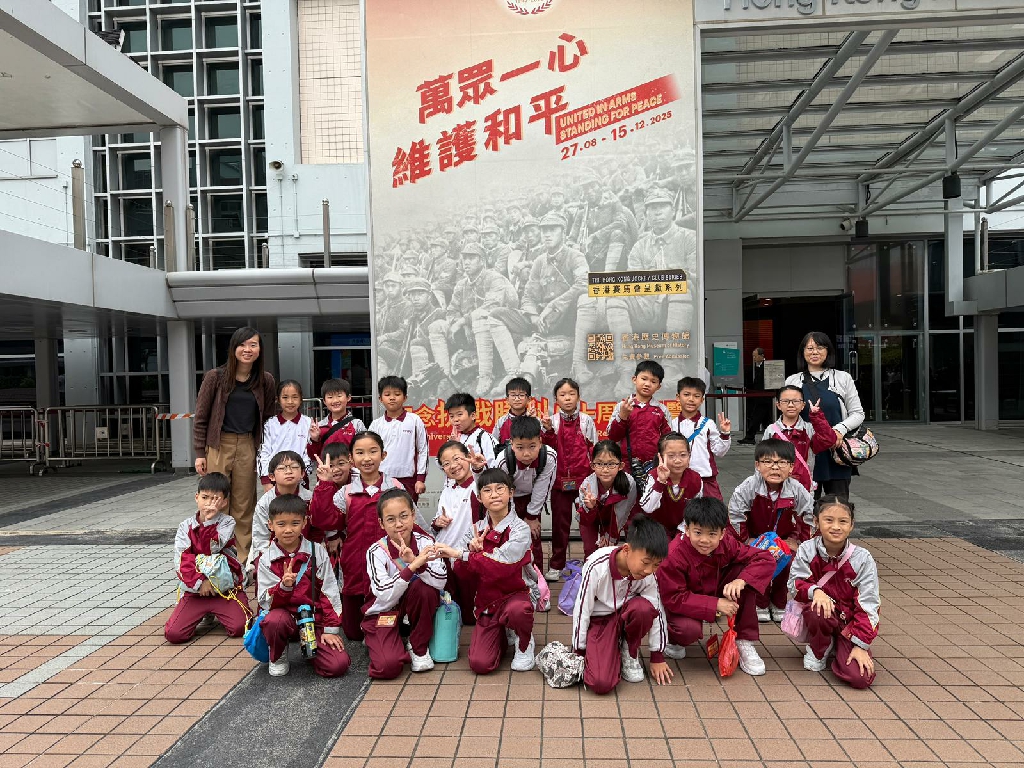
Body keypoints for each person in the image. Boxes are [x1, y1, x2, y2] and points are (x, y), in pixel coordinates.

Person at [434, 468, 537, 674]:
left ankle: (524, 642)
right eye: (487, 490)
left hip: (517, 594)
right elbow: (461, 572)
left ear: (511, 493)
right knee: (480, 664)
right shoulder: (475, 529)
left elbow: (502, 566)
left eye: (500, 488)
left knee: (518, 611)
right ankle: (503, 631)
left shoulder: (520, 529)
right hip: (488, 600)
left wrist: (463, 554)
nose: (494, 494)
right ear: (480, 498)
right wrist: (470, 552)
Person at [656, 497, 774, 675]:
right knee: (687, 630)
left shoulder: (727, 543)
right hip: (684, 601)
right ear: (687, 530)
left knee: (745, 575)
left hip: (713, 588)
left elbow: (764, 558)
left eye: (712, 534)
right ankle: (672, 640)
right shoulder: (673, 554)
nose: (704, 540)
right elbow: (674, 598)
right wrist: (716, 604)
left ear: (722, 533)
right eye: (698, 532)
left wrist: (741, 580)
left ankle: (744, 640)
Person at [193, 326, 277, 567]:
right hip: (219, 444)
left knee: (243, 504)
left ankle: (241, 561)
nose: (247, 349)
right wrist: (199, 452)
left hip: (248, 444)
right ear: (233, 348)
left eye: (253, 345)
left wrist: (267, 453)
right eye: (242, 344)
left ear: (260, 350)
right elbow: (201, 416)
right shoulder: (215, 377)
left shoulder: (265, 380)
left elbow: (268, 419)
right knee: (216, 500)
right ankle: (214, 556)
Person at [309, 431, 403, 641]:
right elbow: (324, 521)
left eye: (373, 452)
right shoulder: (346, 492)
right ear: (352, 459)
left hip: (390, 564)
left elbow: (414, 524)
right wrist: (324, 484)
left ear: (383, 455)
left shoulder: (395, 488)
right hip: (355, 564)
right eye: (360, 453)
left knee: (388, 618)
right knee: (352, 632)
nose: (367, 458)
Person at [570, 516, 672, 694]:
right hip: (600, 620)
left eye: (656, 565)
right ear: (626, 550)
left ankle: (629, 650)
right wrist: (579, 649)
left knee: (643, 608)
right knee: (600, 683)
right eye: (646, 562)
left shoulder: (648, 575)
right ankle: (610, 647)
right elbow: (582, 608)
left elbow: (656, 609)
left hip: (627, 615)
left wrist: (657, 655)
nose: (649, 570)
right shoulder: (597, 565)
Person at [789, 496, 879, 689]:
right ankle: (820, 647)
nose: (836, 527)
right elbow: (794, 584)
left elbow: (869, 604)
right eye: (829, 520)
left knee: (860, 678)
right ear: (816, 521)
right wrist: (815, 591)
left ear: (852, 525)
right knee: (819, 609)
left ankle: (841, 644)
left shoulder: (862, 559)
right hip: (821, 615)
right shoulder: (806, 550)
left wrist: (860, 645)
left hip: (849, 624)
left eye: (843, 521)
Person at [256, 494, 350, 678]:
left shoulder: (317, 551)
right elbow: (264, 602)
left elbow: (329, 592)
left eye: (295, 523)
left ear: (305, 523)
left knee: (338, 665)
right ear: (270, 525)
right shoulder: (266, 558)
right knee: (274, 621)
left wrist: (330, 629)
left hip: (312, 619)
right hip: (284, 618)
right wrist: (283, 587)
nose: (288, 530)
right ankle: (278, 654)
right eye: (281, 524)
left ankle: (311, 647)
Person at [728, 438, 814, 623]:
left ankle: (779, 602)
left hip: (784, 539)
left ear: (791, 467)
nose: (775, 468)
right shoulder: (748, 487)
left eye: (782, 462)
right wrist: (746, 541)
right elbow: (735, 515)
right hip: (755, 538)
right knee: (759, 560)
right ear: (757, 465)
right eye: (768, 462)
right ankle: (760, 602)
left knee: (787, 560)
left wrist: (801, 543)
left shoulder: (797, 489)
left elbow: (809, 516)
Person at [363, 489, 447, 678]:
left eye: (404, 516)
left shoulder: (426, 542)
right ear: (381, 523)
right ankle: (382, 638)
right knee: (388, 667)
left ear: (413, 515)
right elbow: (384, 593)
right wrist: (413, 566)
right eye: (391, 519)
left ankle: (418, 647)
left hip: (414, 606)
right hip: (385, 610)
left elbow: (441, 581)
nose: (399, 524)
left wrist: (417, 564)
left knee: (425, 589)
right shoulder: (376, 551)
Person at [165, 473, 250, 644]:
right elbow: (182, 559)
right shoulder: (185, 526)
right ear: (196, 497)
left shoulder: (227, 522)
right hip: (196, 591)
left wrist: (210, 521)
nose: (209, 503)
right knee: (174, 634)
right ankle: (204, 612)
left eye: (215, 499)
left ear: (224, 502)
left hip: (225, 589)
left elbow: (212, 548)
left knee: (240, 627)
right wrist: (200, 582)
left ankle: (224, 608)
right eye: (205, 497)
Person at [785, 332, 865, 500]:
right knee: (804, 506)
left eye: (820, 347)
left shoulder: (843, 378)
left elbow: (858, 413)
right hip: (805, 451)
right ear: (802, 352)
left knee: (838, 505)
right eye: (810, 348)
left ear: (828, 351)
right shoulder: (793, 381)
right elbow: (787, 415)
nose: (815, 352)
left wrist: (839, 430)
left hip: (836, 451)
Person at [474, 416, 556, 579]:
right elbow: (501, 490)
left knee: (533, 536)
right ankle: (510, 578)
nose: (526, 453)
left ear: (540, 442)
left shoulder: (549, 457)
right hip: (508, 499)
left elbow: (542, 487)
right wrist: (510, 520)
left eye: (532, 446)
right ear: (511, 444)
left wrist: (532, 517)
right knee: (507, 536)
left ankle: (537, 582)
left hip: (532, 498)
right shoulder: (503, 460)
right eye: (520, 447)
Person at [541, 377, 597, 581]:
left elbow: (594, 449)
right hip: (559, 482)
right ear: (556, 399)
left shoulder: (586, 420)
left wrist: (595, 477)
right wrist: (548, 431)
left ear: (578, 397)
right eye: (562, 395)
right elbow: (547, 451)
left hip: (584, 481)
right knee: (560, 525)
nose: (567, 398)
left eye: (571, 394)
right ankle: (556, 565)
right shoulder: (552, 421)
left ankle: (592, 562)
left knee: (588, 523)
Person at [432, 440, 484, 622]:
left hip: (465, 556)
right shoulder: (448, 489)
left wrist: (477, 468)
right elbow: (437, 519)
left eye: (457, 459)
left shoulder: (476, 486)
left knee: (470, 614)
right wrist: (438, 522)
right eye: (446, 464)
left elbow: (480, 480)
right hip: (444, 555)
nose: (453, 466)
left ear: (468, 457)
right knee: (449, 606)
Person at [246, 451, 316, 580]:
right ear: (271, 476)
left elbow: (318, 530)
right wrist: (270, 560)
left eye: (294, 467)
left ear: (302, 473)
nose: (288, 471)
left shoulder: (310, 499)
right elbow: (260, 537)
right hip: (273, 553)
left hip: (305, 552)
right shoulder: (265, 503)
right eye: (282, 468)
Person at [607, 361, 673, 490]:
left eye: (653, 381)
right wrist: (623, 416)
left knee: (652, 498)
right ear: (634, 379)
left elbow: (669, 441)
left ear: (659, 386)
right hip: (626, 465)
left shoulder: (661, 410)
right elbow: (613, 436)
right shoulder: (623, 406)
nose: (647, 384)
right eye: (644, 379)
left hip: (653, 466)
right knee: (627, 498)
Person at [763, 385, 836, 493]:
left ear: (803, 405)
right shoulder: (771, 430)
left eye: (796, 401)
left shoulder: (809, 429)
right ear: (778, 405)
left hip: (803, 487)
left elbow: (828, 440)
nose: (791, 405)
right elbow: (762, 459)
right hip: (775, 487)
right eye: (786, 401)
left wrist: (817, 416)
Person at [369, 376, 429, 503]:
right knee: (383, 511)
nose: (392, 398)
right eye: (387, 394)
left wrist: (420, 479)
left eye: (397, 394)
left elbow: (423, 450)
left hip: (408, 479)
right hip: (382, 478)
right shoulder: (376, 425)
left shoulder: (415, 420)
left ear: (405, 397)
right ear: (380, 399)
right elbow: (370, 452)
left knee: (407, 512)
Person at [672, 376, 731, 501]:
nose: (691, 399)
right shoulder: (672, 424)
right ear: (678, 397)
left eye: (696, 396)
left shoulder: (708, 424)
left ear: (702, 400)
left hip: (706, 479)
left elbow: (719, 451)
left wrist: (725, 433)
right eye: (686, 394)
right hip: (679, 478)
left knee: (712, 512)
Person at [575, 441, 637, 558]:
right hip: (590, 518)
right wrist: (590, 507)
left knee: (609, 547)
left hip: (615, 517)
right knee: (590, 549)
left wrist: (610, 536)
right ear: (592, 466)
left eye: (611, 464)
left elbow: (622, 513)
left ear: (621, 466)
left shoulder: (629, 484)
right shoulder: (586, 486)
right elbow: (584, 520)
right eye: (599, 463)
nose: (605, 469)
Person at [639, 433, 704, 540]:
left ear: (689, 456)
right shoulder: (653, 476)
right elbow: (648, 508)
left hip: (683, 529)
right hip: (654, 530)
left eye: (683, 455)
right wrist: (660, 482)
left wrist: (681, 533)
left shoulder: (695, 479)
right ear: (660, 457)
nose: (677, 460)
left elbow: (694, 512)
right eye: (671, 456)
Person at [256, 380, 314, 493]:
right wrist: (266, 479)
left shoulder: (308, 423)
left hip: (300, 479)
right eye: (285, 397)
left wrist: (301, 474)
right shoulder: (270, 424)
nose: (290, 401)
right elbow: (263, 453)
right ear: (278, 399)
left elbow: (310, 453)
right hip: (274, 479)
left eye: (295, 397)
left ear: (301, 399)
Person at [307, 378, 366, 461]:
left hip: (351, 468)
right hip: (327, 469)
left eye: (339, 396)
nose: (335, 400)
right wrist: (314, 440)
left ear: (348, 397)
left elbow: (363, 450)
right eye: (330, 397)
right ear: (324, 401)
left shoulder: (357, 424)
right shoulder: (319, 427)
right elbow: (313, 457)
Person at [445, 392, 497, 467]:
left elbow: (494, 466)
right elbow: (442, 464)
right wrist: (451, 445)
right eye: (451, 416)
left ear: (473, 415)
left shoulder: (484, 438)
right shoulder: (454, 438)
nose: (455, 419)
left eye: (459, 414)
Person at [739, 348, 772, 445]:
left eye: (755, 356)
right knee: (765, 419)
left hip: (765, 397)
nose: (753, 358)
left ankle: (750, 437)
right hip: (756, 396)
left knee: (757, 417)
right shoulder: (753, 367)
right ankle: (769, 437)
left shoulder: (768, 366)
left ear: (762, 356)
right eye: (753, 356)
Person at [492, 376, 533, 450]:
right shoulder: (501, 422)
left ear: (529, 399)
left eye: (521, 395)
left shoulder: (535, 420)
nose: (517, 399)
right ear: (507, 399)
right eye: (513, 395)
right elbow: (494, 446)